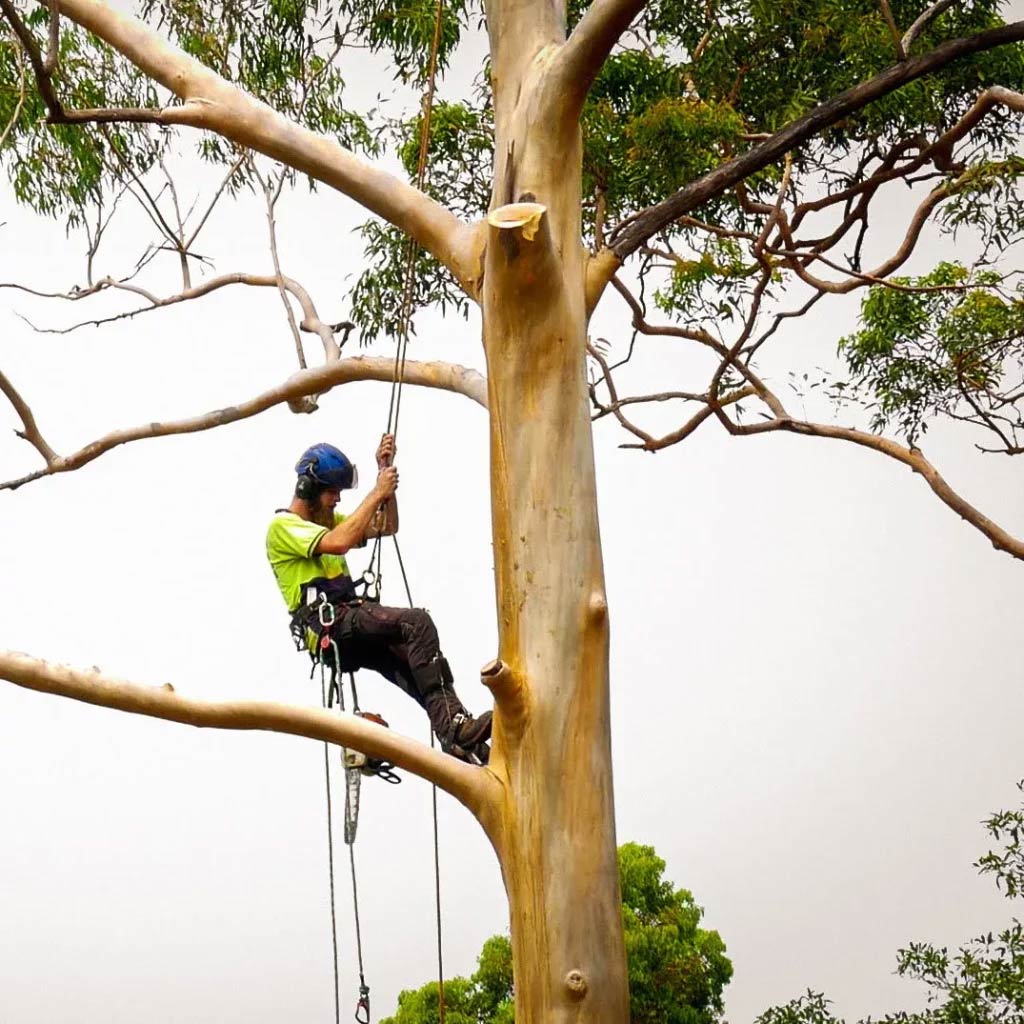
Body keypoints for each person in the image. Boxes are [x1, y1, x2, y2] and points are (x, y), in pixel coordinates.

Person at [265, 435, 492, 764]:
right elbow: (340, 542)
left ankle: (455, 735)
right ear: (307, 490)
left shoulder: (329, 521)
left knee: (414, 663)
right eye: (332, 492)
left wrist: (384, 475)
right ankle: (455, 729)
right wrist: (376, 492)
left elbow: (387, 525)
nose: (337, 501)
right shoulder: (283, 526)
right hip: (332, 627)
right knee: (417, 623)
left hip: (350, 623)